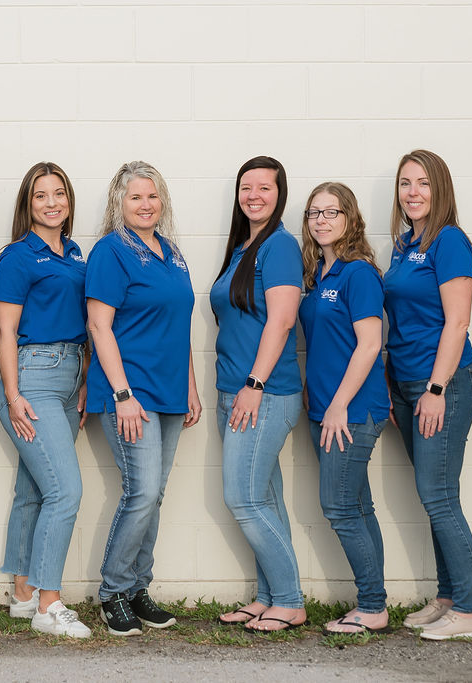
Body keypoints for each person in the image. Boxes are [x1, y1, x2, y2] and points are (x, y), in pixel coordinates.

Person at [86, 161, 202, 637]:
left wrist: (191, 385)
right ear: (119, 202)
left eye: (152, 196)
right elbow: (99, 325)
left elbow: (181, 325)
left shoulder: (171, 252)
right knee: (143, 491)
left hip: (170, 392)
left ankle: (137, 589)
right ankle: (113, 591)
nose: (145, 204)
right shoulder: (111, 252)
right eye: (135, 197)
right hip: (131, 393)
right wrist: (123, 394)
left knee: (153, 497)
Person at [384, 149, 472, 640]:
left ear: (440, 188)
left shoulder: (450, 241)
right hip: (406, 385)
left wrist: (436, 387)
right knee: (437, 496)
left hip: (442, 384)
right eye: (406, 183)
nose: (413, 192)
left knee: (438, 496)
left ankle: (469, 612)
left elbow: (458, 320)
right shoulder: (405, 244)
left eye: (423, 183)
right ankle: (448, 596)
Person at [0, 162, 91, 638]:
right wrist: (12, 395)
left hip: (70, 377)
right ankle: (49, 604)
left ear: (69, 201)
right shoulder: (17, 256)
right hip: (32, 377)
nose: (51, 203)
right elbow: (5, 329)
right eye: (40, 196)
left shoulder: (76, 255)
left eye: (59, 194)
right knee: (65, 491)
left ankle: (23, 592)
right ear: (27, 205)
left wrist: (85, 378)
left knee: (34, 489)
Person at [212, 156, 305, 633]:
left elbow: (282, 319)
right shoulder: (243, 248)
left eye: (264, 187)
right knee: (264, 500)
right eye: (246, 186)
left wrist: (254, 384)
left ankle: (289, 600)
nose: (254, 195)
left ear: (279, 193)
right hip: (235, 392)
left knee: (242, 498)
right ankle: (269, 596)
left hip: (263, 394)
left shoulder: (281, 246)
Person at [298, 182, 391, 635]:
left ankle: (371, 605)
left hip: (351, 413)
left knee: (337, 507)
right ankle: (375, 604)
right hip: (325, 411)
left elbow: (370, 344)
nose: (321, 220)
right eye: (314, 213)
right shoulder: (318, 276)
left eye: (331, 212)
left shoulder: (358, 273)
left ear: (350, 218)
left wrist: (338, 405)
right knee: (358, 507)